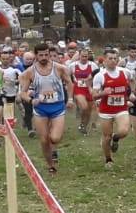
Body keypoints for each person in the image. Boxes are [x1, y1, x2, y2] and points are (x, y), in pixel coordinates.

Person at [22, 45, 72, 174]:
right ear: (36, 55)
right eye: (41, 55)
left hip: (57, 107)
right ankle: (51, 165)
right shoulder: (30, 72)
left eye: (46, 55)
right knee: (44, 140)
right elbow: (22, 93)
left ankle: (54, 149)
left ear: (49, 54)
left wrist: (70, 99)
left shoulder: (60, 68)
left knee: (54, 138)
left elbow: (70, 83)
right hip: (40, 109)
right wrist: (30, 100)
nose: (44, 58)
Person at [91, 49, 132, 170]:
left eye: (115, 58)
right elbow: (94, 95)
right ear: (104, 60)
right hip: (106, 110)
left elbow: (132, 82)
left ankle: (116, 137)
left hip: (121, 108)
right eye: (110, 58)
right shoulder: (100, 76)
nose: (113, 61)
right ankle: (108, 158)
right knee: (106, 137)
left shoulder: (125, 72)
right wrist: (103, 93)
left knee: (124, 131)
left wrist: (132, 93)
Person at [69, 47, 97, 135]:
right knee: (84, 107)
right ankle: (82, 123)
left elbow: (98, 76)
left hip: (89, 89)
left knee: (88, 110)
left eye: (86, 56)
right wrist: (70, 85)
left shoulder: (93, 65)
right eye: (82, 56)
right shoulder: (73, 65)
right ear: (79, 56)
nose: (84, 58)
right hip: (78, 89)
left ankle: (83, 126)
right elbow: (67, 76)